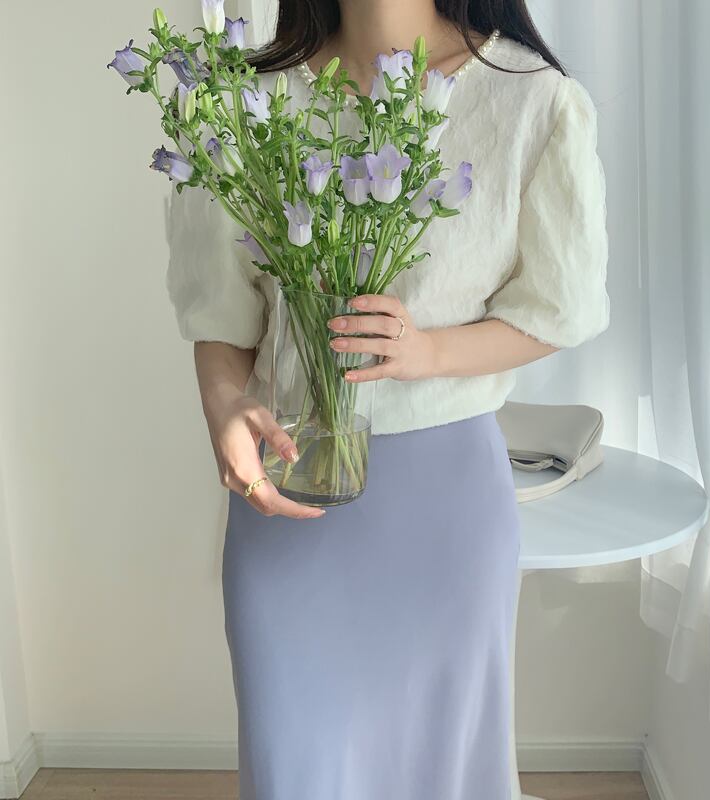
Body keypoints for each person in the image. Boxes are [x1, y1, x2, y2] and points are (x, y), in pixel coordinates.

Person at [165, 1, 611, 797]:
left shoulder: (532, 100)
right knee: (295, 770)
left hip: (447, 510)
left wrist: (428, 351)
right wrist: (223, 407)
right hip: (290, 493)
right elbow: (222, 318)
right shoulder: (245, 102)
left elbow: (559, 309)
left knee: (447, 772)